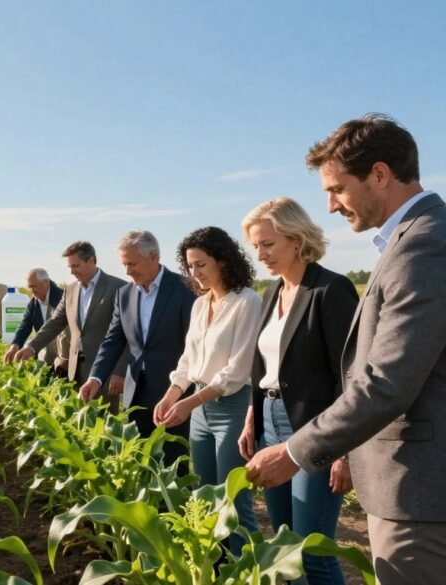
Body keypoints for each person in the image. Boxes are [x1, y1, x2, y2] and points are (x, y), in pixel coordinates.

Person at [245, 114, 446, 584]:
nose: (332, 206)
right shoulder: (410, 240)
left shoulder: (422, 247)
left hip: (418, 490)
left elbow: (386, 383)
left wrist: (295, 451)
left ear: (380, 174)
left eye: (337, 189)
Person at [238, 197, 358, 585]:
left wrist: (345, 452)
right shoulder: (273, 292)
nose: (260, 254)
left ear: (296, 238)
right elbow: (266, 369)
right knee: (284, 548)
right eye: (256, 245)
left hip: (315, 431)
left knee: (312, 552)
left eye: (268, 244)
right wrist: (251, 419)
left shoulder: (331, 289)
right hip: (269, 426)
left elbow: (350, 377)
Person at [154, 226, 261, 552]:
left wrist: (189, 402)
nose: (194, 272)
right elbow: (188, 359)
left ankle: (247, 567)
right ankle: (217, 568)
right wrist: (172, 394)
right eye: (189, 265)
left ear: (223, 261)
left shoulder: (247, 302)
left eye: (201, 264)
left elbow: (237, 370)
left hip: (233, 408)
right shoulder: (200, 305)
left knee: (234, 500)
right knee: (205, 494)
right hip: (199, 409)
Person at [78, 230, 196, 464]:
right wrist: (95, 378)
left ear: (153, 257)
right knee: (141, 460)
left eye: (132, 263)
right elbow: (113, 341)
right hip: (135, 394)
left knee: (174, 461)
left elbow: (193, 345)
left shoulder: (185, 289)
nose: (127, 271)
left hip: (172, 391)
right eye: (124, 265)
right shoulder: (124, 294)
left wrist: (181, 390)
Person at [14, 241, 129, 396]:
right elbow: (54, 323)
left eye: (76, 266)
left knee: (104, 418)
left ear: (91, 261)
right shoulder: (71, 290)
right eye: (70, 267)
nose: (72, 272)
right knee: (76, 417)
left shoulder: (118, 287)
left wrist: (120, 371)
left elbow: (128, 333)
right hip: (74, 370)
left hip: (105, 372)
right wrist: (31, 347)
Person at [2, 268, 70, 374]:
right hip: (44, 355)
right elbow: (24, 326)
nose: (31, 290)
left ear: (46, 282)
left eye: (34, 286)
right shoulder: (33, 304)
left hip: (64, 357)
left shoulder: (62, 298)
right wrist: (14, 347)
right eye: (29, 287)